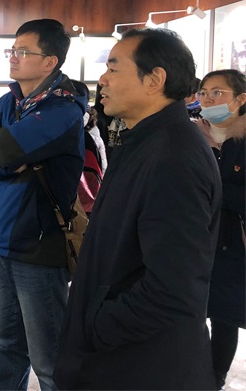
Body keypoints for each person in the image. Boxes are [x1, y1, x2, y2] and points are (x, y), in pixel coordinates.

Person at [54, 28, 222, 389]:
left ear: (154, 80)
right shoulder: (147, 141)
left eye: (113, 69)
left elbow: (174, 288)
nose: (102, 80)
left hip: (139, 366)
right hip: (125, 359)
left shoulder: (174, 156)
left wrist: (97, 327)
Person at [0, 19, 86, 390]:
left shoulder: (62, 110)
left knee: (48, 358)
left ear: (50, 62)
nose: (13, 57)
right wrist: (2, 165)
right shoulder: (10, 101)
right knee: (8, 344)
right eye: (13, 49)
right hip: (2, 241)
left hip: (38, 244)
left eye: (23, 51)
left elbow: (2, 149)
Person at [195, 69, 246, 389]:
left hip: (233, 248)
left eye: (217, 93)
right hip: (195, 243)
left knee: (224, 318)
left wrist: (213, 190)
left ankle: (215, 378)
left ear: (240, 99)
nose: (208, 99)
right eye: (203, 92)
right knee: (191, 312)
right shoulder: (194, 135)